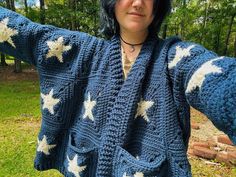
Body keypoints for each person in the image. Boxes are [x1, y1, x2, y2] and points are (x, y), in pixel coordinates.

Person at [0, 0, 235, 176]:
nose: (138, 2)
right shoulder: (85, 52)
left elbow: (216, 77)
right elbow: (26, 33)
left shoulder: (175, 58)